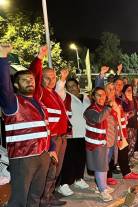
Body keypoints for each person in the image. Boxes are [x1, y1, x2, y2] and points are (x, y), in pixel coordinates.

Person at [0, 45, 53, 206]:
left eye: (31, 79)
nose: (30, 81)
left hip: (43, 155)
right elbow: (3, 86)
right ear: (16, 86)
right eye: (24, 80)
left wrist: (51, 148)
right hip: (23, 157)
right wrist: (3, 57)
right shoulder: (12, 102)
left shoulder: (38, 102)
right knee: (19, 200)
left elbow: (45, 129)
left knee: (35, 197)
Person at [28, 46, 69, 207]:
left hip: (61, 136)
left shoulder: (53, 92)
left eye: (53, 77)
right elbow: (34, 75)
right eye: (47, 77)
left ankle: (49, 195)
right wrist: (39, 58)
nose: (51, 80)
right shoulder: (39, 92)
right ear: (41, 79)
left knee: (55, 171)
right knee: (49, 171)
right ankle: (44, 200)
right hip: (50, 138)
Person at [55, 71, 90, 196]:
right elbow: (59, 90)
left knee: (81, 159)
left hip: (85, 134)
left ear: (78, 86)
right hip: (71, 134)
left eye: (73, 86)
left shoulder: (86, 97)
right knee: (68, 160)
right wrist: (62, 79)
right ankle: (63, 184)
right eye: (68, 87)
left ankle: (78, 179)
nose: (71, 88)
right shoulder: (66, 97)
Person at [83, 87, 116, 202]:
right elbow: (98, 119)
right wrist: (108, 107)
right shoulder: (90, 110)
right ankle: (102, 191)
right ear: (93, 96)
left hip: (106, 141)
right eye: (98, 95)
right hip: (96, 144)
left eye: (103, 95)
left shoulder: (103, 108)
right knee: (100, 167)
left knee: (104, 166)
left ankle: (101, 186)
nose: (102, 97)